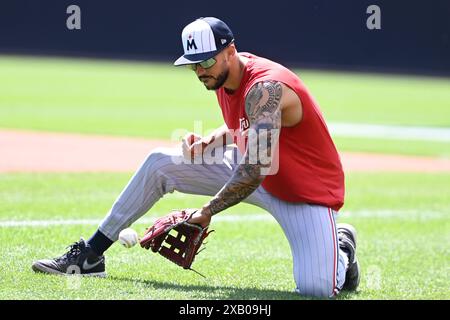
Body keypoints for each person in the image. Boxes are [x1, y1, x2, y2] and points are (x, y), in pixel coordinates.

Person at [32, 17, 360, 298]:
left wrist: (206, 211)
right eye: (192, 63)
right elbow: (247, 123)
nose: (199, 70)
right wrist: (211, 140)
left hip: (303, 192)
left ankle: (342, 248)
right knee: (159, 162)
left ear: (230, 52)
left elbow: (255, 167)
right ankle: (91, 255)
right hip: (255, 169)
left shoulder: (266, 87)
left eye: (205, 61)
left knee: (317, 288)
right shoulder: (222, 74)